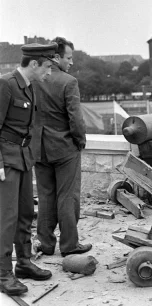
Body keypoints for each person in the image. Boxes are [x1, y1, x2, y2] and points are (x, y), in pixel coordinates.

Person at [0, 43, 57, 296]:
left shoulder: (30, 87)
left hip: (23, 159)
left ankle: (23, 263)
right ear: (34, 64)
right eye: (47, 67)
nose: (49, 73)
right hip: (7, 160)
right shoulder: (6, 84)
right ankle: (3, 274)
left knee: (25, 213)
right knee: (6, 218)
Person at [33, 37, 91, 257]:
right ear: (56, 57)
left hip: (39, 149)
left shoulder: (35, 80)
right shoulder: (69, 82)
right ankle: (69, 245)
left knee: (45, 197)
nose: (72, 62)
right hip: (65, 149)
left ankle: (46, 245)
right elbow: (76, 119)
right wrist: (80, 140)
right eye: (69, 57)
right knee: (67, 197)